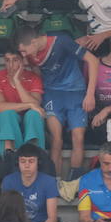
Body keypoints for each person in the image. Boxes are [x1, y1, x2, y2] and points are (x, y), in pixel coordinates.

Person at [12, 24, 99, 176]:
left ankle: (73, 182)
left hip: (75, 92)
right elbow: (39, 71)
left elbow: (93, 61)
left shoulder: (61, 41)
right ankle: (54, 180)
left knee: (78, 138)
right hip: (52, 95)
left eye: (24, 51)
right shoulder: (30, 55)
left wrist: (90, 94)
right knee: (56, 139)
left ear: (33, 42)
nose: (23, 55)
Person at [0, 145, 60, 222]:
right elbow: (6, 213)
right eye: (23, 161)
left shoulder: (49, 181)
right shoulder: (8, 181)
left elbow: (52, 219)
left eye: (31, 161)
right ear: (18, 163)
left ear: (38, 162)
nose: (27, 165)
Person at [0, 46, 45, 158]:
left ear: (23, 61)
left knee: (33, 114)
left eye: (15, 60)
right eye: (7, 60)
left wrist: (17, 82)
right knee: (7, 114)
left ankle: (34, 155)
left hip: (28, 124)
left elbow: (36, 105)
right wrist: (29, 105)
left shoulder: (33, 78)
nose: (10, 65)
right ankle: (10, 157)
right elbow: (0, 107)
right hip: (6, 125)